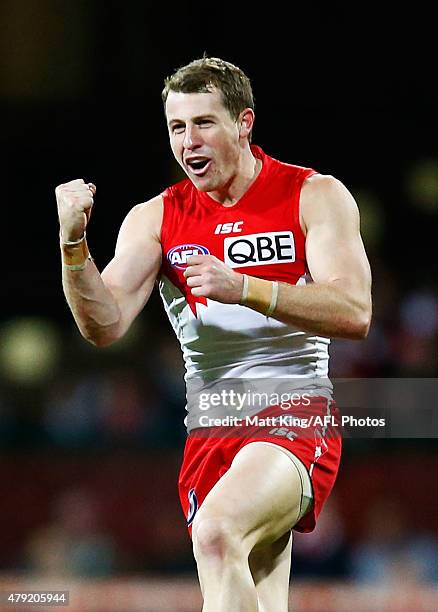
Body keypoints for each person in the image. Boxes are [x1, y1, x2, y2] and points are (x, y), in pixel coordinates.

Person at [55, 56, 372, 611]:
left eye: (204, 123)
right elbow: (103, 324)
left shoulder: (313, 195)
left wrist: (246, 286)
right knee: (248, 592)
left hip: (292, 415)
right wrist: (72, 244)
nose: (188, 141)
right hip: (208, 431)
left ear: (244, 123)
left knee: (216, 533)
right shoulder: (155, 217)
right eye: (177, 127)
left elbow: (355, 310)